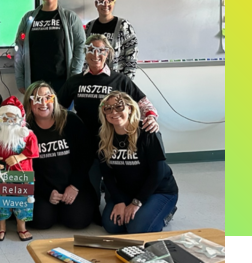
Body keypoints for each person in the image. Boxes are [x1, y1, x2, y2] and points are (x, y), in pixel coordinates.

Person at [58, 34, 159, 195]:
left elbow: (144, 103)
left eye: (101, 50)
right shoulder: (74, 81)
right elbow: (57, 108)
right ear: (85, 52)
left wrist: (151, 118)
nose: (96, 55)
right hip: (85, 143)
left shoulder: (120, 80)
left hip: (114, 142)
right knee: (91, 195)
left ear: (107, 53)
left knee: (118, 187)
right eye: (91, 49)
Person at [98, 92, 178, 234]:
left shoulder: (148, 131)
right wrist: (119, 201)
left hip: (158, 190)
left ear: (129, 108)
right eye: (108, 108)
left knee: (138, 229)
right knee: (112, 226)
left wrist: (136, 202)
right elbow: (107, 175)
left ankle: (167, 212)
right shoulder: (103, 137)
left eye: (118, 107)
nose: (114, 112)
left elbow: (157, 173)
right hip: (127, 190)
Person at [23, 81, 96, 230]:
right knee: (40, 222)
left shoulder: (71, 120)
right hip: (42, 187)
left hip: (73, 184)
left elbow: (86, 156)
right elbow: (25, 168)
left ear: (54, 100)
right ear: (29, 103)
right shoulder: (24, 128)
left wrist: (75, 186)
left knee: (77, 221)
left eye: (48, 98)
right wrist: (45, 191)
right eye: (37, 99)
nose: (43, 103)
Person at [0, 96, 38, 241]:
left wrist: (18, 157)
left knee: (22, 201)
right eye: (6, 118)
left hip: (22, 174)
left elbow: (33, 150)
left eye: (13, 118)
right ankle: (1, 226)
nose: (10, 121)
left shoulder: (27, 135)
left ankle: (21, 226)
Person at [14, 0, 85, 95]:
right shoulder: (28, 18)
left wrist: (75, 76)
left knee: (62, 114)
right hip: (34, 82)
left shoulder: (70, 17)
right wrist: (20, 80)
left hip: (63, 82)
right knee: (38, 113)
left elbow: (81, 46)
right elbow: (19, 48)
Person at [84, 0, 139, 79]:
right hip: (93, 81)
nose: (106, 5)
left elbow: (132, 57)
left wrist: (125, 83)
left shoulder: (124, 26)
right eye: (101, 1)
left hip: (116, 81)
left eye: (110, 1)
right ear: (96, 4)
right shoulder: (89, 27)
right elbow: (85, 56)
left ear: (113, 3)